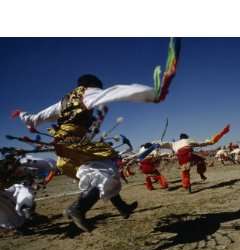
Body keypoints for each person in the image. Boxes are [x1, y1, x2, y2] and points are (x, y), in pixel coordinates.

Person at [16, 74, 168, 231]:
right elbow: (116, 91)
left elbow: (40, 116)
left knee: (103, 170)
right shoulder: (88, 92)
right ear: (93, 85)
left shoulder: (65, 101)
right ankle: (78, 208)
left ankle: (122, 207)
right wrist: (152, 94)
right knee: (106, 171)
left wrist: (27, 118)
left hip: (63, 145)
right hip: (74, 142)